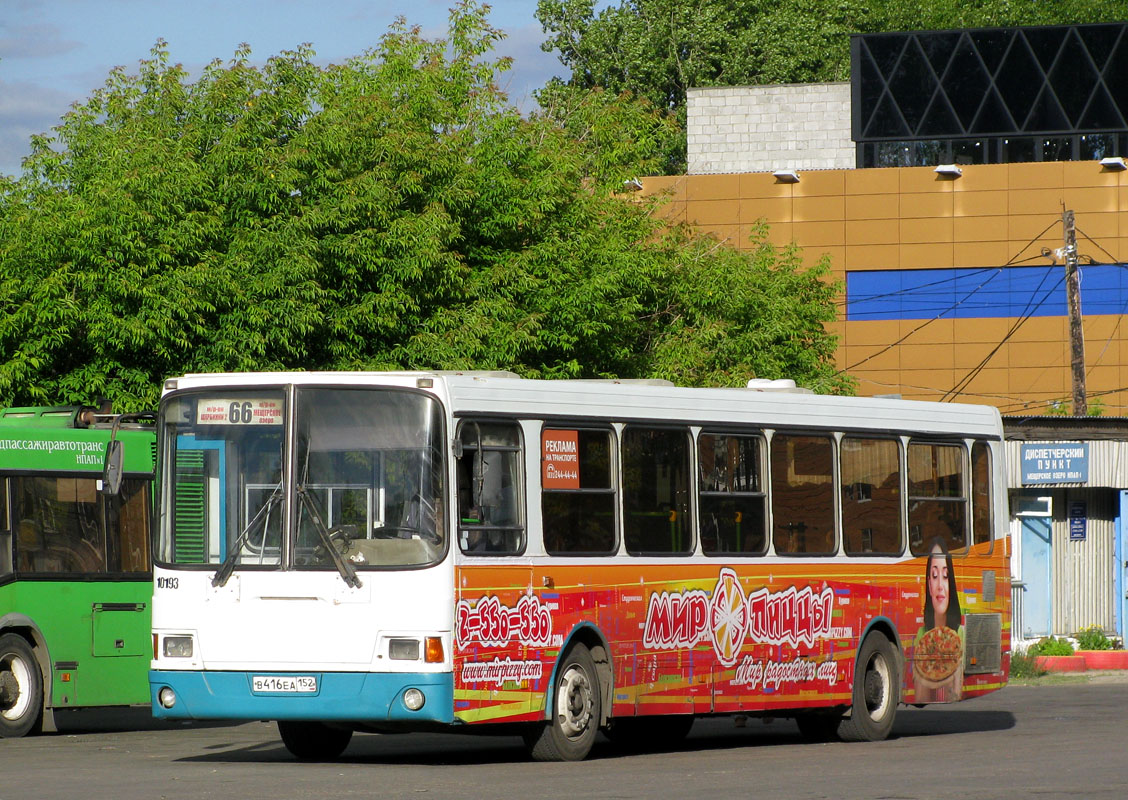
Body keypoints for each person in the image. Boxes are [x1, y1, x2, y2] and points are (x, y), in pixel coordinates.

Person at [913, 537, 964, 701]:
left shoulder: (959, 634)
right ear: (929, 584)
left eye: (945, 576)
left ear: (952, 583)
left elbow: (956, 694)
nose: (940, 585)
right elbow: (920, 698)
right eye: (934, 576)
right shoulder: (921, 636)